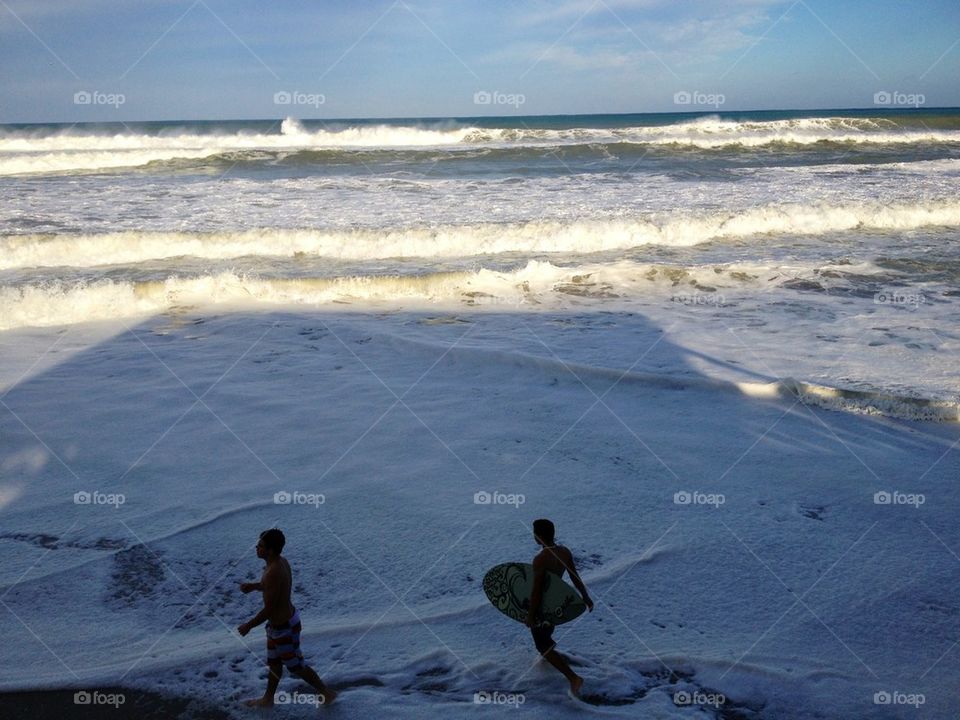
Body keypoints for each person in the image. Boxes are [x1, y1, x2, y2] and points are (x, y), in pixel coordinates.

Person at [237, 528, 337, 707]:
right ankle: (268, 699)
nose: (256, 548)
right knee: (274, 664)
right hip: (276, 627)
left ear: (271, 550)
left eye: (260, 546)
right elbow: (269, 587)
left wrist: (248, 626)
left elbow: (269, 608)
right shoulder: (277, 562)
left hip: (285, 628)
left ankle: (326, 692)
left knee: (296, 666)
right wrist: (253, 586)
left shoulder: (274, 570)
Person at [525, 518, 594, 697]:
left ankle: (573, 678)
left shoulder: (540, 559)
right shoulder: (564, 552)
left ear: (538, 536)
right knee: (546, 639)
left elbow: (537, 590)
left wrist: (531, 614)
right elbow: (574, 576)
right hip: (558, 604)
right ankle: (551, 658)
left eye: (534, 532)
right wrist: (585, 597)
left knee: (541, 646)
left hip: (543, 607)